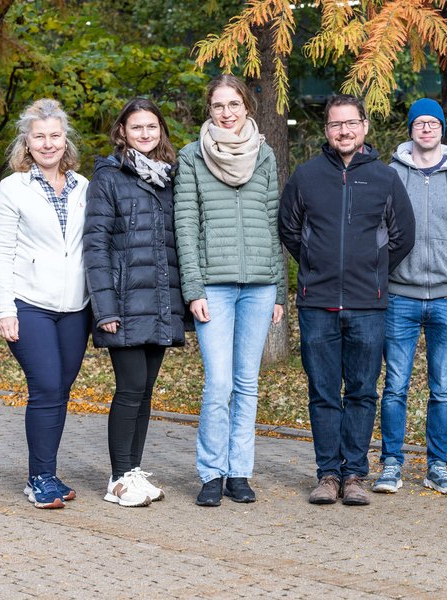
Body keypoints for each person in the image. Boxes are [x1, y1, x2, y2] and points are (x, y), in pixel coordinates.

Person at [279, 94, 415, 506]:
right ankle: (327, 475)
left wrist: (372, 269)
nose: (344, 131)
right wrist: (320, 267)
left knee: (361, 391)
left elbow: (402, 236)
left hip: (367, 305)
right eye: (336, 124)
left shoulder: (385, 178)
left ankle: (354, 473)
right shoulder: (306, 176)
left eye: (351, 123)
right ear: (327, 130)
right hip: (317, 303)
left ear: (365, 127)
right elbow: (290, 229)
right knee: (322, 392)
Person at [174, 74, 285, 507]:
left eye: (234, 104)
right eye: (219, 105)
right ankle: (210, 474)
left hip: (259, 285)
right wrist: (193, 288)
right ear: (210, 109)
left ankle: (240, 472)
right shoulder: (191, 157)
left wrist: (278, 290)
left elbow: (274, 223)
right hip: (213, 288)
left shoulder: (266, 155)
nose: (226, 112)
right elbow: (185, 225)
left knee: (247, 384)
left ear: (246, 108)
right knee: (218, 384)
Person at [372, 98, 447, 495]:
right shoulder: (389, 175)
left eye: (432, 122)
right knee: (396, 384)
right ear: (410, 130)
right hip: (400, 296)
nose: (426, 129)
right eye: (419, 123)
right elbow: (379, 229)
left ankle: (438, 466)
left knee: (442, 386)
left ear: (442, 129)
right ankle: (391, 464)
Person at [83, 98, 187, 508]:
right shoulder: (109, 178)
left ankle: (134, 469)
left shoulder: (167, 179)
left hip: (160, 304)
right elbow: (95, 246)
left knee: (144, 392)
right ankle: (117, 480)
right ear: (122, 132)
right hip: (123, 305)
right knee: (128, 390)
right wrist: (105, 308)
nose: (145, 134)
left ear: (160, 131)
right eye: (137, 128)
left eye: (152, 127)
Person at [0, 98, 90, 509]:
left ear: (65, 141)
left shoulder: (85, 186)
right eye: (39, 137)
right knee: (46, 385)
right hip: (29, 303)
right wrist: (4, 309)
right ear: (26, 143)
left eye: (55, 136)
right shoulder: (13, 188)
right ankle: (39, 478)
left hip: (75, 308)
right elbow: (0, 252)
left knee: (60, 390)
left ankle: (46, 470)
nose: (48, 144)